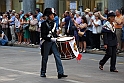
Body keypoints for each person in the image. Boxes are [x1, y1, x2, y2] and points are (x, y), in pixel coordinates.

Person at [40, 8, 68, 79]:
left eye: (53, 15)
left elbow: (54, 33)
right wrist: (50, 38)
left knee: (57, 56)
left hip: (53, 42)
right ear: (48, 15)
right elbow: (43, 35)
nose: (53, 16)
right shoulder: (43, 24)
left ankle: (60, 73)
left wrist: (58, 36)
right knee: (45, 58)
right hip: (46, 42)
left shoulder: (54, 24)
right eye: (52, 15)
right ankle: (43, 72)